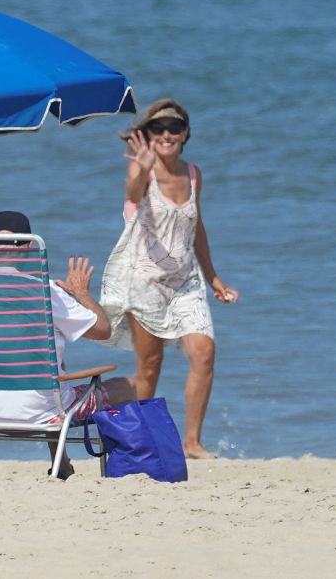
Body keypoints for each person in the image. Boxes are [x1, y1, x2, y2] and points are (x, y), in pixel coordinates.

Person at [98, 98, 239, 459]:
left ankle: (192, 442)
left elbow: (197, 226)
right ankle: (142, 438)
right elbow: (131, 193)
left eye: (174, 128)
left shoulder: (193, 174)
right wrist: (141, 169)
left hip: (185, 281)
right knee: (150, 364)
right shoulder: (140, 172)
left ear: (185, 133)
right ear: (147, 135)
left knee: (204, 351)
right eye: (157, 129)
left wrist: (213, 277)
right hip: (143, 282)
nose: (166, 134)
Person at [0, 210, 136, 479]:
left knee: (52, 370)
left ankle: (63, 465)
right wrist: (81, 294)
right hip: (43, 414)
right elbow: (103, 330)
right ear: (28, 247)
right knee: (129, 386)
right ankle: (127, 468)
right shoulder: (47, 293)